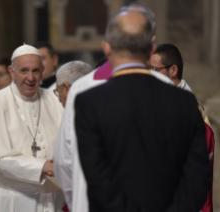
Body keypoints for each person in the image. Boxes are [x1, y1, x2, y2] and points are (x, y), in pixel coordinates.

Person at [75, 11, 212, 212]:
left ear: (107, 48)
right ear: (151, 50)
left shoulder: (89, 102)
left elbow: (94, 177)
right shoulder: (184, 101)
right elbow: (198, 176)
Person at [53, 4, 172, 212]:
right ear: (151, 45)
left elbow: (64, 161)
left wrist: (76, 203)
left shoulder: (81, 89)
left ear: (107, 46)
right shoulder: (167, 89)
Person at [0, 44, 64, 212]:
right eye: (24, 71)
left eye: (35, 71)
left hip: (53, 200)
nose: (30, 77)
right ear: (11, 72)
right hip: (13, 200)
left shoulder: (56, 101)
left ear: (42, 71)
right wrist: (43, 166)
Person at [150, 43, 214, 212]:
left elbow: (200, 171)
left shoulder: (192, 111)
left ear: (173, 70)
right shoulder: (158, 103)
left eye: (155, 70)